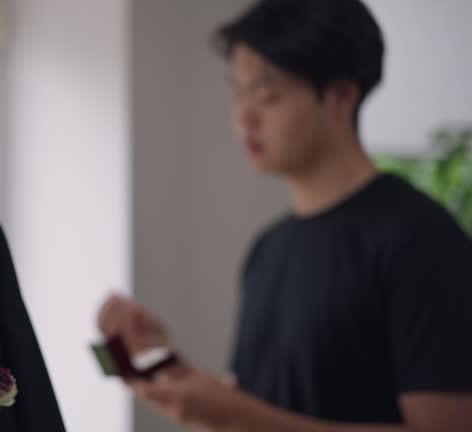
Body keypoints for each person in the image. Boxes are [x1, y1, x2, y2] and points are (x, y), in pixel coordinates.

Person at [98, 0, 472, 430]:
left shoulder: (420, 241)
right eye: (237, 93)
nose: (244, 117)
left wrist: (238, 415)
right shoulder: (269, 248)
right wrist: (173, 370)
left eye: (266, 94)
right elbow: (267, 406)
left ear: (341, 95)